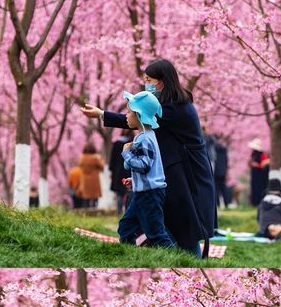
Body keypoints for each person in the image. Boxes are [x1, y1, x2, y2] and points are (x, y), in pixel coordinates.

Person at [81, 58, 216, 256]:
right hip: (174, 168)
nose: (146, 83)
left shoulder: (174, 107)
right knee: (172, 221)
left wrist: (103, 114)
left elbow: (137, 119)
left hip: (188, 172)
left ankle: (190, 262)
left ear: (161, 81)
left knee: (184, 224)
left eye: (149, 79)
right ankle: (176, 258)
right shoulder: (168, 104)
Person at [117, 91, 176, 248]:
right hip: (144, 192)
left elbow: (144, 166)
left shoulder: (145, 139)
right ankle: (128, 256)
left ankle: (176, 258)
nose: (126, 116)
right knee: (125, 227)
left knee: (155, 233)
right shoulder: (144, 136)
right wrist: (134, 180)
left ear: (140, 116)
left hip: (150, 194)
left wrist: (126, 154)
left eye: (129, 112)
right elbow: (146, 168)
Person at [109, 130, 134, 214]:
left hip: (118, 171)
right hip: (130, 169)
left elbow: (112, 159)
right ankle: (128, 211)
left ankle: (119, 211)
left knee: (119, 193)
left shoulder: (117, 143)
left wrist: (111, 170)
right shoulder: (133, 142)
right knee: (130, 191)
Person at [78, 142, 104, 208]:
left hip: (85, 179)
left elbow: (80, 166)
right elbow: (101, 166)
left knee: (86, 196)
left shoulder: (82, 158)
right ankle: (94, 208)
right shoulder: (95, 158)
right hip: (94, 179)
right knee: (95, 195)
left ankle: (86, 209)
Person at [249, 138, 270, 207]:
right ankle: (254, 203)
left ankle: (259, 203)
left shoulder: (262, 155)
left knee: (260, 189)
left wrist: (256, 165)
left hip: (261, 176)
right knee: (254, 189)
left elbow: (263, 165)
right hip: (255, 175)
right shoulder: (253, 155)